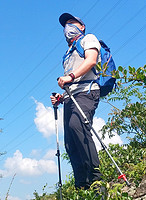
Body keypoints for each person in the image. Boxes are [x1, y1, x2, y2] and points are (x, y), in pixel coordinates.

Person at [50, 13, 102, 190]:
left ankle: (96, 179)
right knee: (70, 141)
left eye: (72, 23)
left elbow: (91, 61)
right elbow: (71, 84)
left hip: (87, 92)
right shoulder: (67, 54)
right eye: (65, 25)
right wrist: (61, 97)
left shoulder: (89, 39)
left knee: (77, 126)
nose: (67, 27)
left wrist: (70, 76)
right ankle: (82, 185)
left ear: (82, 26)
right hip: (71, 98)